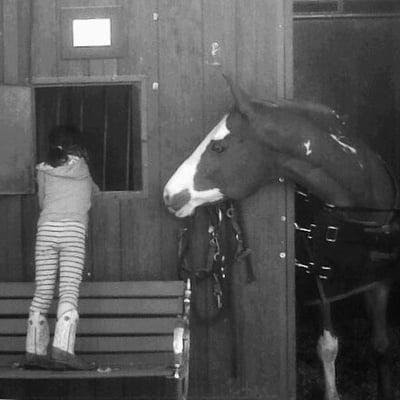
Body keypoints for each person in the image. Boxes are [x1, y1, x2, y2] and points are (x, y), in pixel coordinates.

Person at [25, 125, 99, 370]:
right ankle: (63, 351)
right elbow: (91, 195)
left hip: (46, 229)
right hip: (73, 231)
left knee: (43, 289)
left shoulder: (43, 170)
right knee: (68, 289)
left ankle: (34, 352)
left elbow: (42, 201)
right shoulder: (83, 169)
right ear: (76, 145)